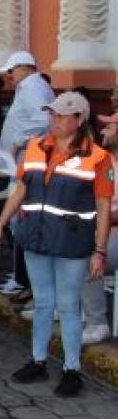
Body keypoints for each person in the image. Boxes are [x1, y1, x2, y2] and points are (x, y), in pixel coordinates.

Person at [0, 91, 112, 397]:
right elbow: (20, 189)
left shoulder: (97, 157)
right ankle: (38, 360)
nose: (53, 120)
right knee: (43, 303)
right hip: (36, 237)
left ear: (79, 120)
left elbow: (104, 206)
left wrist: (99, 250)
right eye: (52, 114)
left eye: (61, 115)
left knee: (69, 306)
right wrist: (1, 223)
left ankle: (72, 369)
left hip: (72, 242)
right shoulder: (35, 147)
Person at [0, 51, 54, 298]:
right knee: (20, 219)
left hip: (24, 163)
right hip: (20, 162)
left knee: (20, 219)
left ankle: (24, 280)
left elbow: (42, 119)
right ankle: (22, 277)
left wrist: (18, 142)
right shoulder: (31, 87)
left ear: (25, 67)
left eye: (11, 70)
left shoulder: (32, 88)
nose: (9, 76)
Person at [80, 112, 118, 345]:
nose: (102, 131)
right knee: (60, 244)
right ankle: (60, 308)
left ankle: (97, 323)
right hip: (102, 226)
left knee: (89, 256)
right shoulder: (105, 160)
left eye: (109, 127)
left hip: (113, 230)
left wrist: (104, 218)